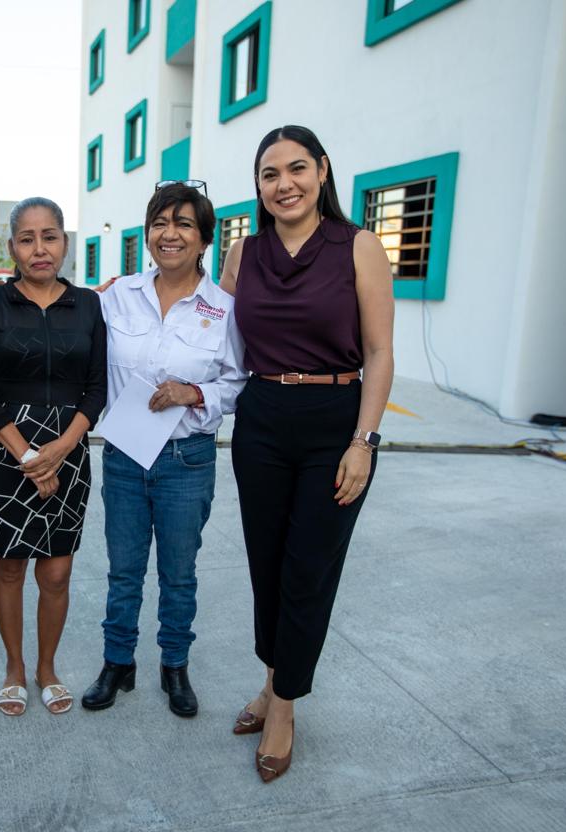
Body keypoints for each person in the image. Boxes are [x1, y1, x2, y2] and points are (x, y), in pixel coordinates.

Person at [219, 126, 394, 782]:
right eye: (270, 173)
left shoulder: (359, 247)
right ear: (258, 185)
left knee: (308, 570)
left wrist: (364, 441)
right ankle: (271, 683)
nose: (284, 183)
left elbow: (379, 351)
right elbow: (209, 332)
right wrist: (123, 299)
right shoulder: (245, 253)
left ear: (322, 170)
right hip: (261, 421)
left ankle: (284, 704)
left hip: (334, 423)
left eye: (297, 168)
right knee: (267, 566)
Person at [81, 182, 246, 718]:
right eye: (159, 223)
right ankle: (117, 663)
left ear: (204, 240)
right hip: (126, 456)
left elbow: (240, 380)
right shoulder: (115, 296)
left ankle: (174, 666)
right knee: (124, 569)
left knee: (179, 573)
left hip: (187, 461)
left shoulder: (225, 309)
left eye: (183, 225)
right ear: (147, 233)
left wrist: (195, 392)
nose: (169, 234)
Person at [0, 197, 106, 717]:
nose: (39, 248)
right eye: (27, 238)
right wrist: (27, 456)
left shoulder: (88, 305)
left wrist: (63, 448)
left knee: (57, 574)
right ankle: (15, 669)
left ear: (65, 243)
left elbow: (97, 387)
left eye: (50, 236)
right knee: (9, 571)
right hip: (7, 451)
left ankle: (47, 668)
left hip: (69, 449)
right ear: (12, 247)